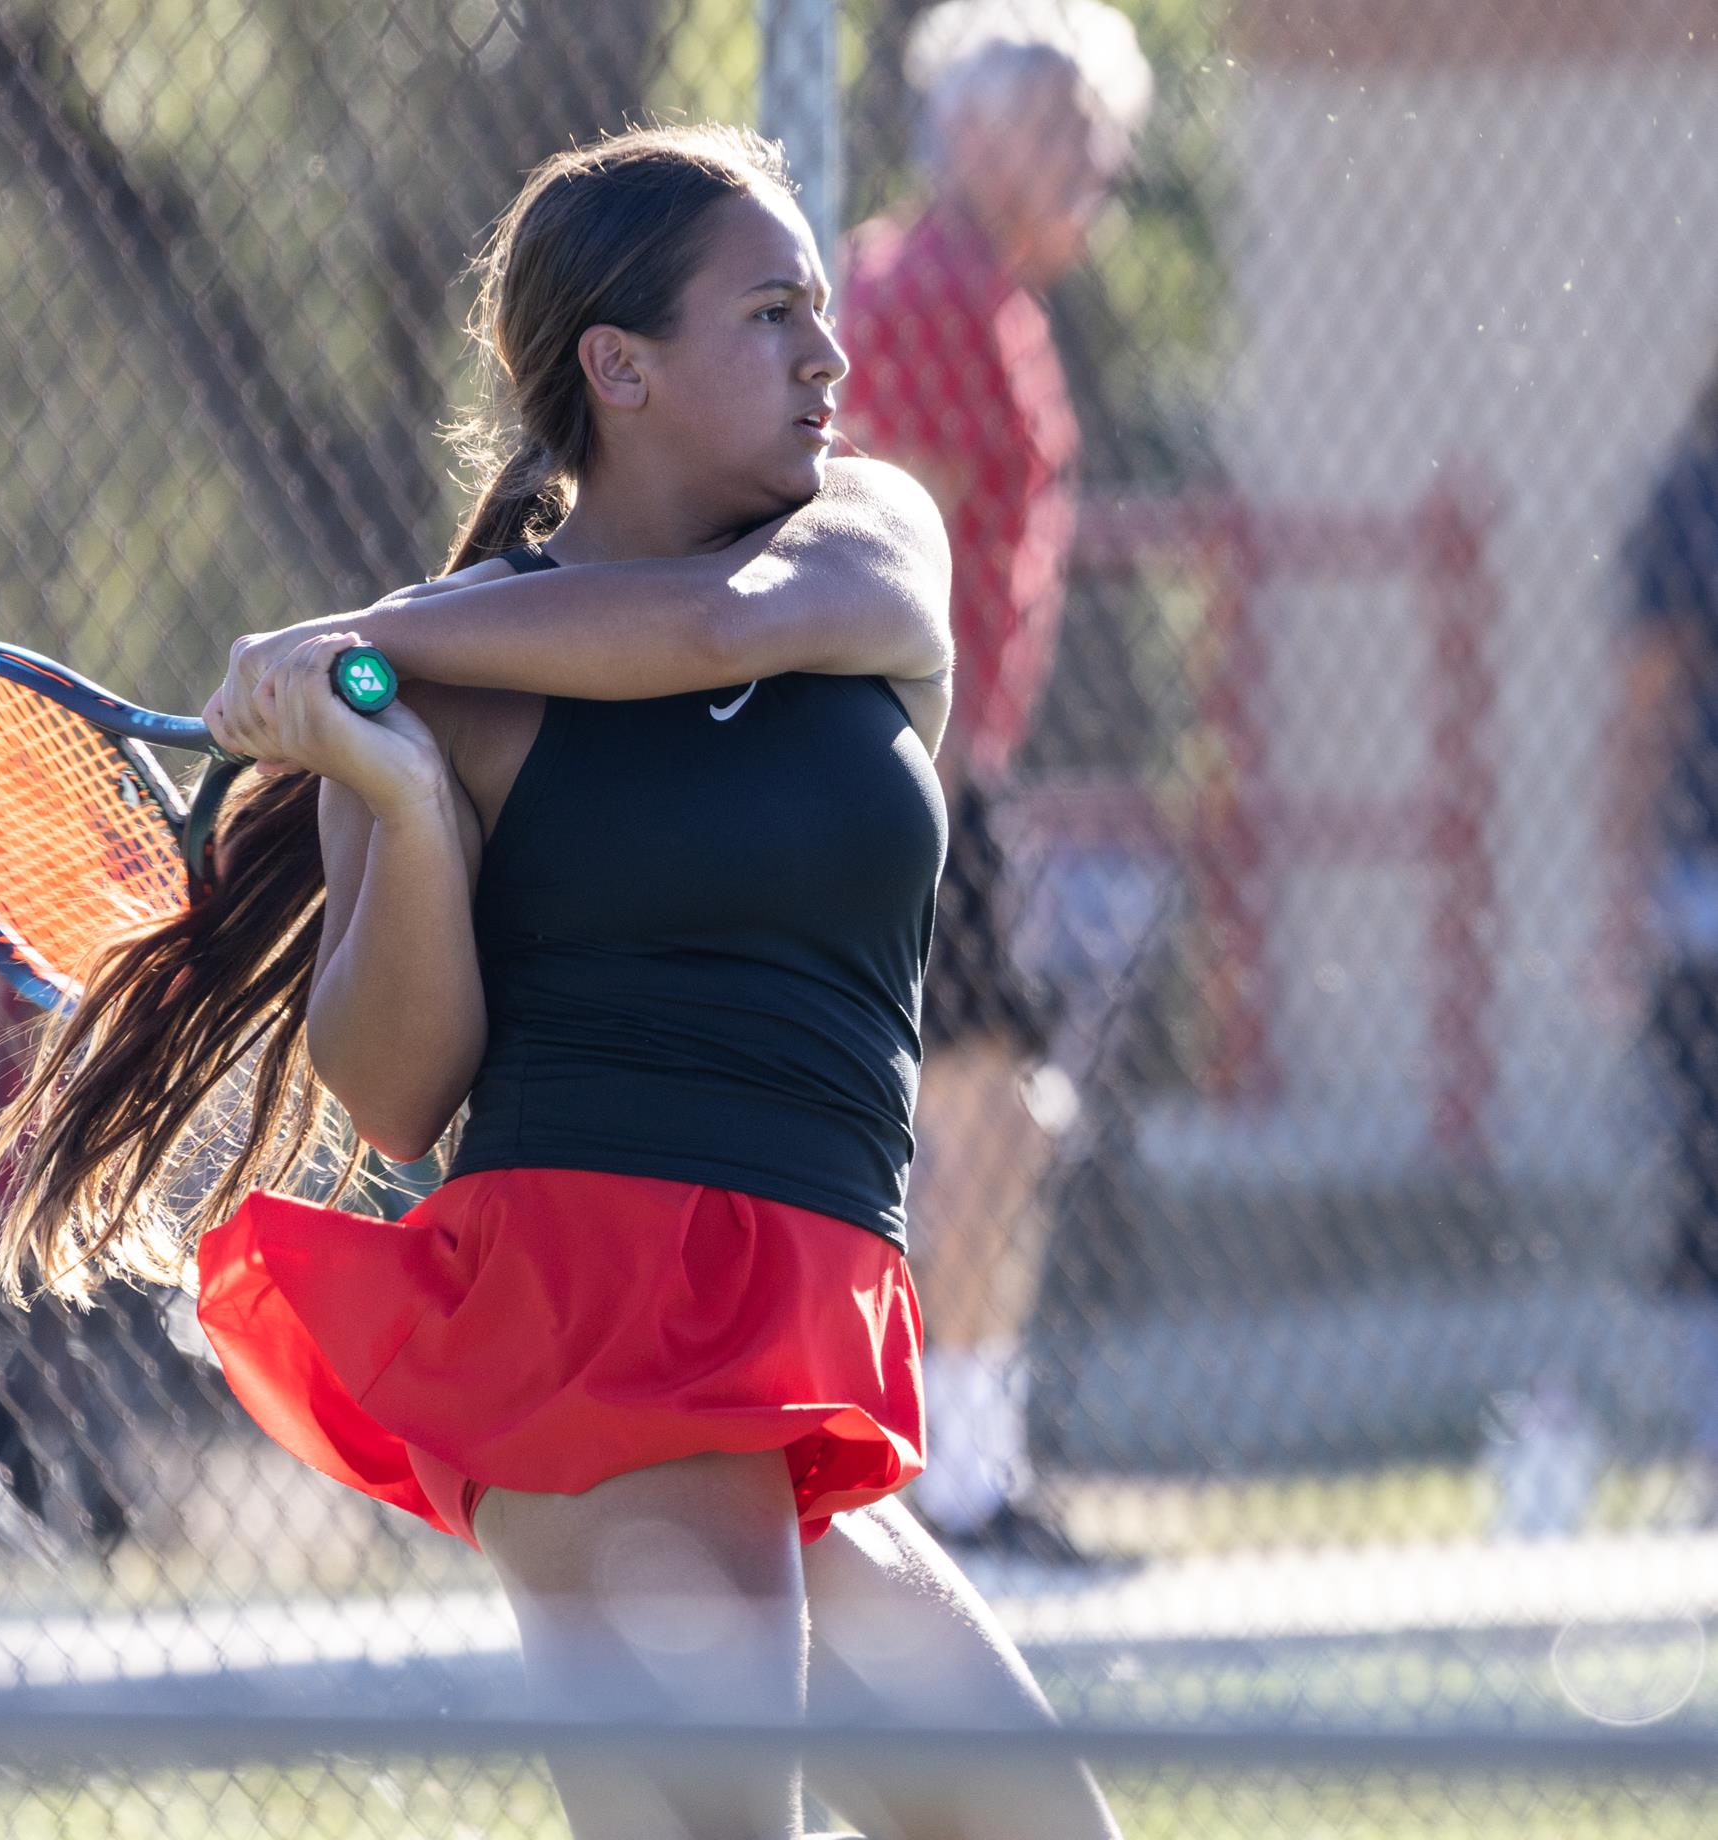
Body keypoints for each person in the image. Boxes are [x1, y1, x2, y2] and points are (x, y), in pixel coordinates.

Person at [0, 125, 1123, 1840]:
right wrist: (410, 806)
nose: (830, 353)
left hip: (789, 1311)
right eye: (772, 313)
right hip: (594, 1312)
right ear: (619, 366)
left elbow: (708, 634)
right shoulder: (438, 698)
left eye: (821, 310)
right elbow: (392, 1087)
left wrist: (369, 642)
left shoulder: (864, 543)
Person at [836, 1, 1153, 1559]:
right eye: (1061, 126)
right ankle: (948, 1477)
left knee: (995, 1114)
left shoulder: (975, 296)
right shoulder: (937, 296)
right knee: (981, 1115)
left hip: (947, 762)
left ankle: (960, 1460)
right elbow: (910, 553)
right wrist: (939, 790)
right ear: (968, 132)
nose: (1097, 160)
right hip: (923, 762)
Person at [1612, 347, 1718, 1522]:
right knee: (1706, 1173)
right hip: (1705, 885)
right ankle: (1710, 1450)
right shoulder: (1690, 496)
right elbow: (1645, 703)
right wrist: (1622, 899)